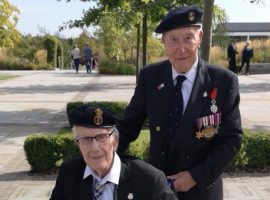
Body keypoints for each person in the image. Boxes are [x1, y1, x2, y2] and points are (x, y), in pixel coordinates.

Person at [117, 5, 242, 200]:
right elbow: (127, 127)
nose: (181, 48)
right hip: (158, 187)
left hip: (202, 190)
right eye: (173, 40)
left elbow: (231, 138)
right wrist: (101, 157)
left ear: (200, 38)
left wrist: (195, 176)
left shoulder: (223, 81)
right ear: (163, 41)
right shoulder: (150, 77)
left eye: (188, 38)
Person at [50, 105, 177, 200]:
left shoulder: (149, 180)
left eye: (102, 137)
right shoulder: (68, 175)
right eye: (86, 139)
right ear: (78, 144)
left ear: (115, 141)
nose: (95, 147)